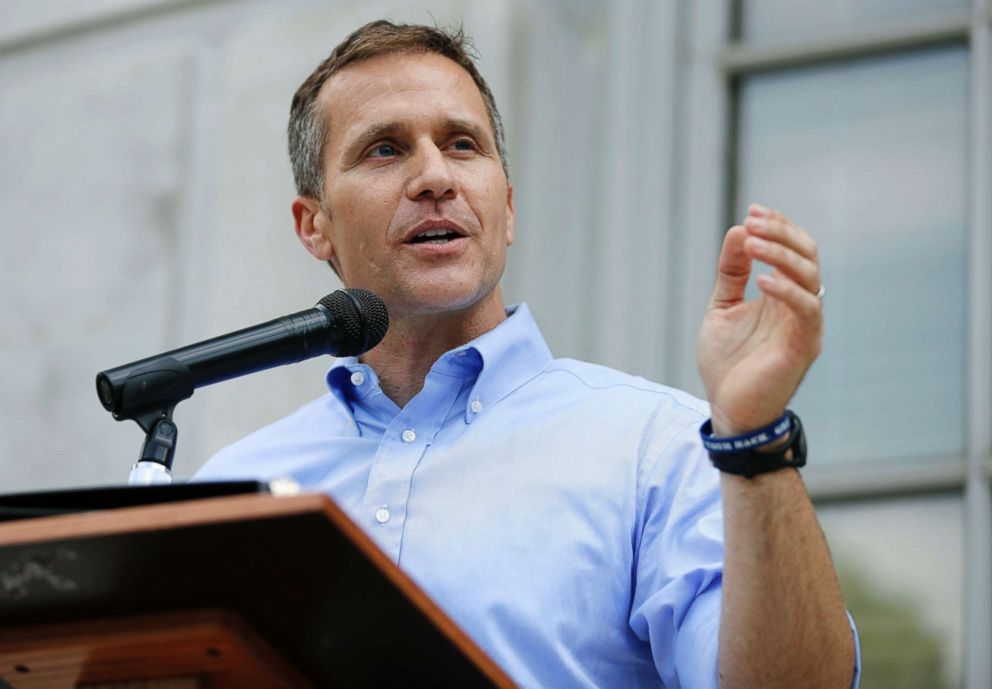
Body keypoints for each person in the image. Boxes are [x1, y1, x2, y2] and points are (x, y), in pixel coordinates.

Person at [196, 20, 860, 689]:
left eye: (462, 144)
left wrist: (755, 436)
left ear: (506, 209)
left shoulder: (658, 448)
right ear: (314, 225)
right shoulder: (233, 489)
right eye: (385, 149)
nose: (434, 177)